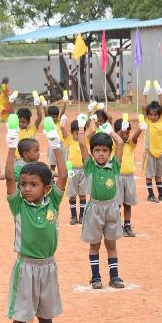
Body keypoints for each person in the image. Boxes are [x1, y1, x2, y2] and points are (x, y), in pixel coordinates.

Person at [3, 117, 69, 323]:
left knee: (45, 315)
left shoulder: (53, 202)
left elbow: (62, 175)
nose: (27, 189)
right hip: (26, 267)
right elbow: (9, 176)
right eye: (24, 185)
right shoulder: (18, 205)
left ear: (46, 188)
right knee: (21, 316)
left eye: (33, 185)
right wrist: (10, 144)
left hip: (48, 267)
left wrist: (56, 145)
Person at [77, 117, 126, 289]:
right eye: (97, 150)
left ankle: (114, 277)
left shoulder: (115, 166)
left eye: (105, 150)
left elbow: (120, 142)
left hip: (112, 208)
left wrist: (109, 130)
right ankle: (96, 277)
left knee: (111, 244)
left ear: (110, 152)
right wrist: (82, 126)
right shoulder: (90, 166)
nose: (101, 153)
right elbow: (82, 144)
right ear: (92, 153)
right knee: (95, 244)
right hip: (95, 209)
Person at [115, 116, 142, 237]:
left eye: (127, 133)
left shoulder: (130, 144)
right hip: (118, 178)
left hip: (129, 178)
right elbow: (117, 138)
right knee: (117, 203)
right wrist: (120, 131)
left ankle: (127, 225)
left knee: (128, 203)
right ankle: (116, 225)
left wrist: (140, 129)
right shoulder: (115, 145)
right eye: (123, 133)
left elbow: (135, 138)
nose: (126, 136)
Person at [142, 81, 162, 202]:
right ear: (148, 115)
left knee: (158, 175)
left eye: (155, 115)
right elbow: (143, 107)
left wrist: (160, 92)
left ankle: (161, 194)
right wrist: (145, 93)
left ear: (158, 115)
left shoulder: (161, 121)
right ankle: (150, 195)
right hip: (150, 152)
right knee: (149, 174)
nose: (153, 117)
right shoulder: (147, 121)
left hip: (160, 152)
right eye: (151, 115)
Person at [61, 117, 88, 224]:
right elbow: (62, 127)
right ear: (72, 133)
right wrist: (63, 119)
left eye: (80, 133)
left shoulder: (86, 141)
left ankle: (82, 216)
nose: (78, 135)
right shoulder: (69, 140)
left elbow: (94, 131)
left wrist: (90, 118)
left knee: (82, 194)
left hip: (83, 170)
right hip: (72, 170)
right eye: (76, 133)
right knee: (72, 194)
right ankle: (73, 216)